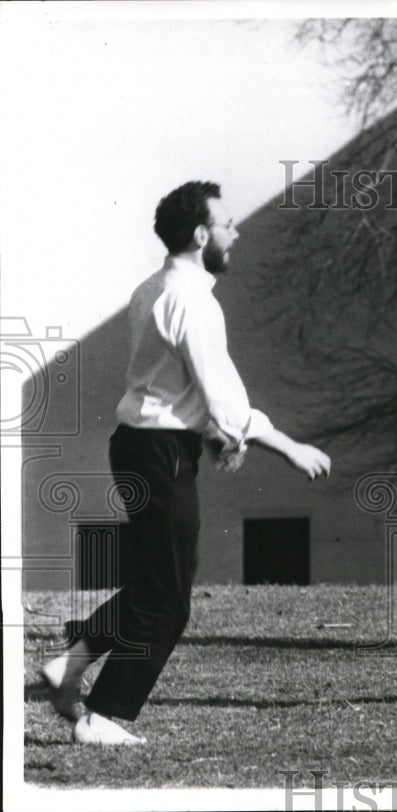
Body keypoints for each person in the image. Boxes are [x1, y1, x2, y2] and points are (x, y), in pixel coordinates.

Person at [40, 181, 332, 745]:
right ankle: (101, 718)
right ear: (201, 235)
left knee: (155, 581)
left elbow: (176, 387)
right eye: (227, 223)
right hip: (159, 454)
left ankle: (70, 665)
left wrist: (215, 435)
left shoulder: (153, 287)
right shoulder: (192, 299)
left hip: (139, 445)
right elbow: (223, 397)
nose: (236, 231)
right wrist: (288, 447)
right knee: (169, 602)